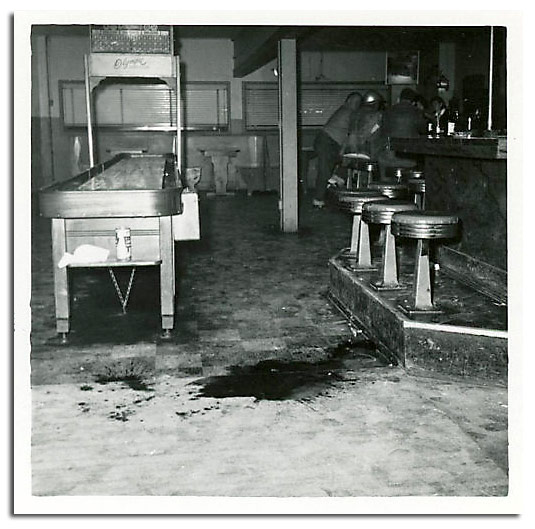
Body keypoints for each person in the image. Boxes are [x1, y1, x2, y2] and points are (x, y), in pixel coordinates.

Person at [312, 92, 362, 208]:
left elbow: (346, 135)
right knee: (325, 171)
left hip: (327, 141)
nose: (357, 105)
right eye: (355, 102)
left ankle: (333, 181)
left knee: (329, 169)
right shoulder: (349, 113)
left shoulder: (345, 110)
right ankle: (318, 199)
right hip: (327, 141)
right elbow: (350, 136)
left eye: (358, 103)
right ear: (348, 101)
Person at [377, 88, 427, 179]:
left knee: (382, 159)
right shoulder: (417, 112)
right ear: (413, 101)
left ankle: (386, 186)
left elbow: (382, 132)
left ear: (399, 98)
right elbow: (424, 130)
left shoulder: (388, 111)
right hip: (410, 159)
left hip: (389, 157)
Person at [346, 89, 384, 161]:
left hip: (351, 149)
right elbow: (372, 131)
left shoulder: (355, 113)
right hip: (366, 151)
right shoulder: (376, 115)